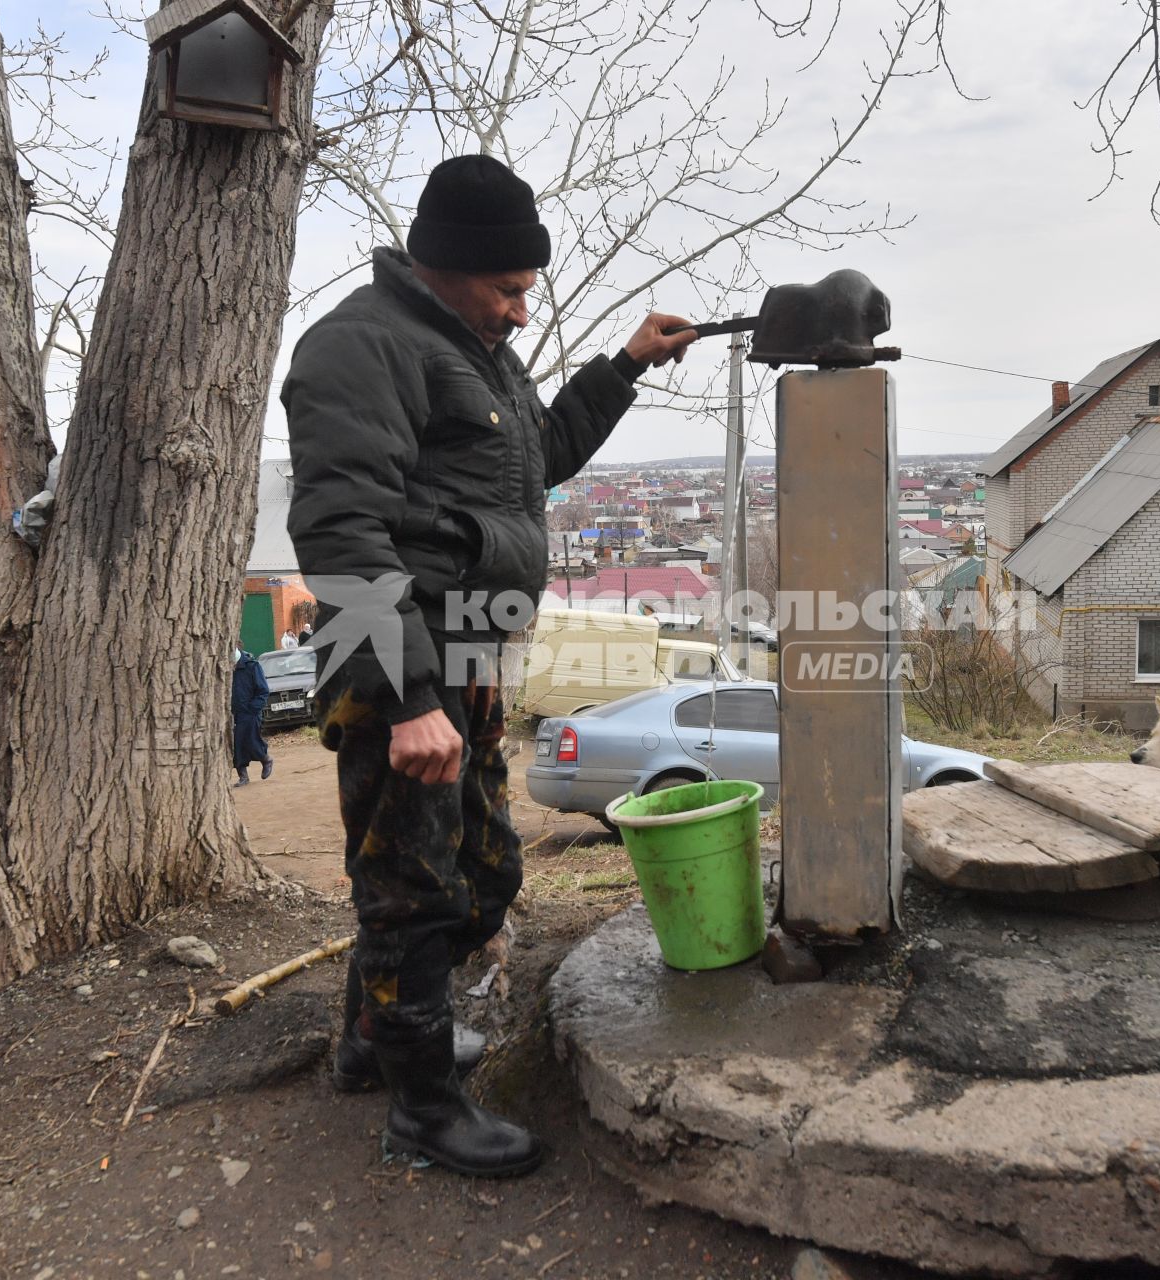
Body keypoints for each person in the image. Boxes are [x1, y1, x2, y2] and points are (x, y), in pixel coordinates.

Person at [283, 154, 694, 1179]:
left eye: (527, 291)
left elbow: (537, 455)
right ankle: (422, 1108)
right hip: (401, 669)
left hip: (463, 654)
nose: (521, 310)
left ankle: (371, 1040)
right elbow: (341, 531)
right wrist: (410, 696)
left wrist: (626, 364)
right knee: (414, 888)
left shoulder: (473, 347)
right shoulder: (360, 348)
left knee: (475, 869)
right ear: (448, 264)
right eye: (509, 288)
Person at [230, 646, 274, 786]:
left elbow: (263, 691)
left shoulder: (252, 666)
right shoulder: (224, 668)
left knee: (251, 740)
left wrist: (253, 708)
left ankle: (265, 758)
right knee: (235, 744)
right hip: (232, 713)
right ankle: (243, 776)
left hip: (250, 712)